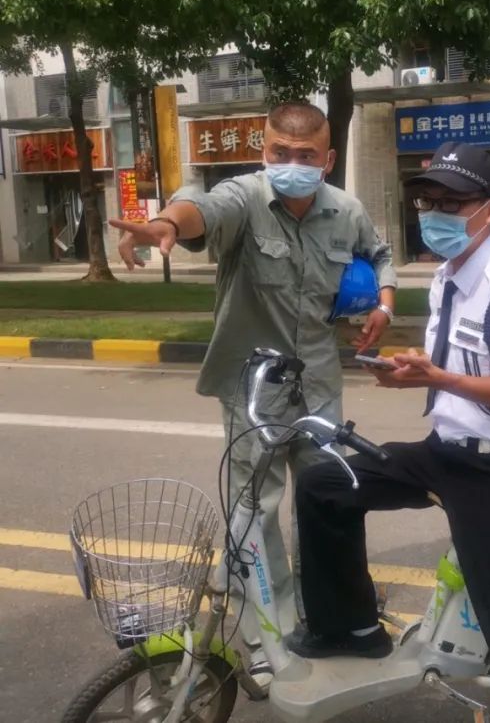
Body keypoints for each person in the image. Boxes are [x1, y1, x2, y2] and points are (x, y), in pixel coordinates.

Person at [291, 141, 490, 723]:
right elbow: (463, 368)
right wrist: (413, 372)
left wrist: (439, 376)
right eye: (428, 201)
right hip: (445, 452)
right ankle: (350, 627)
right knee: (323, 485)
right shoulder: (448, 276)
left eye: (453, 203)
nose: (435, 214)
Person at [109, 101, 397, 684]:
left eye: (305, 155)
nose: (291, 164)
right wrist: (168, 224)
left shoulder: (346, 211)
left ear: (327, 160)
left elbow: (379, 255)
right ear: (263, 151)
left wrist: (384, 306)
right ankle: (268, 633)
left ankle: (327, 619)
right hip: (254, 390)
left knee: (325, 503)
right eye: (279, 153)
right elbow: (203, 210)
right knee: (255, 512)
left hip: (319, 384)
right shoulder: (245, 197)